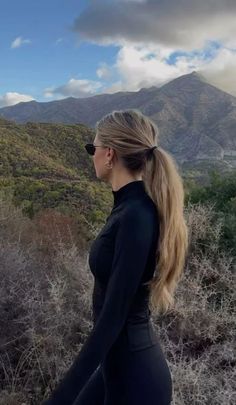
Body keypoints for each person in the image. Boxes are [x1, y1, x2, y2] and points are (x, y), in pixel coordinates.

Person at [42, 109, 189, 404]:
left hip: (137, 380)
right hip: (119, 367)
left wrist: (59, 398)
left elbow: (113, 317)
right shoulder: (128, 208)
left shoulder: (136, 215)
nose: (91, 155)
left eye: (91, 148)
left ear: (108, 154)